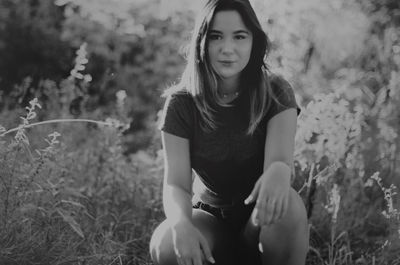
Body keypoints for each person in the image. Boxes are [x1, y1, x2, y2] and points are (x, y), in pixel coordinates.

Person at [149, 0, 309, 264]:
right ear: (201, 42)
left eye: (239, 36)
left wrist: (280, 170)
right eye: (216, 37)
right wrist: (180, 224)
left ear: (254, 42)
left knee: (288, 205)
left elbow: (279, 163)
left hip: (263, 219)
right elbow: (175, 183)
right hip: (211, 220)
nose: (227, 49)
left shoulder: (275, 90)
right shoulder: (181, 103)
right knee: (165, 242)